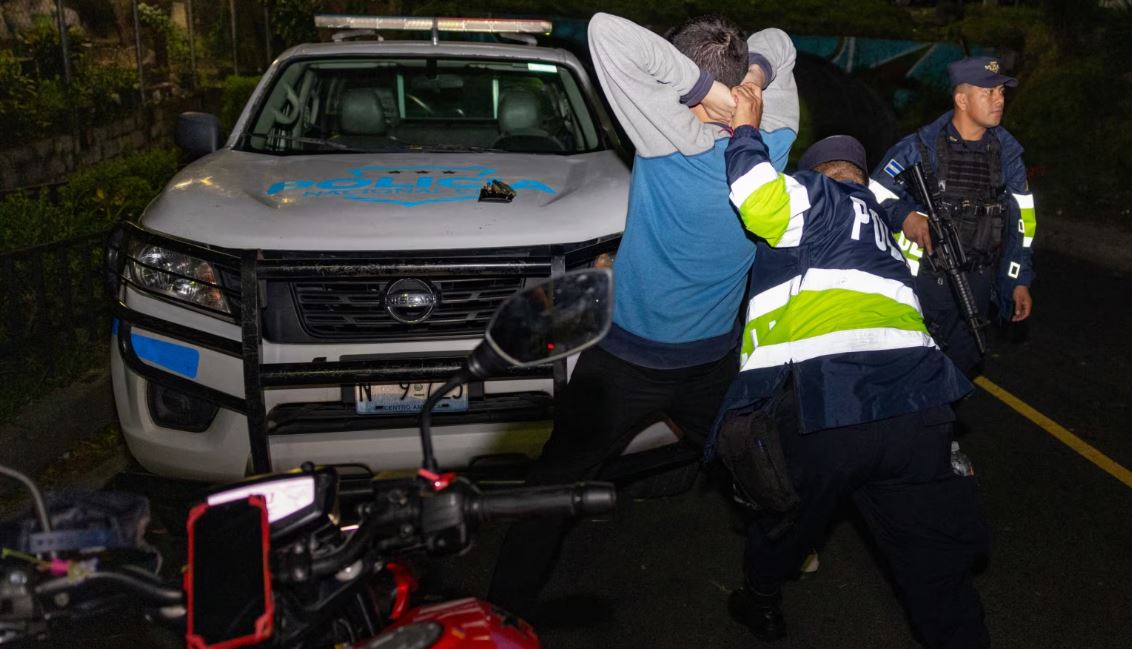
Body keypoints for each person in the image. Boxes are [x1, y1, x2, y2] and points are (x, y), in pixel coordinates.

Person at [486, 12, 799, 619]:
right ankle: (773, 586)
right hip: (711, 362)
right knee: (763, 473)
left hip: (625, 363)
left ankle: (499, 617)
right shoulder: (778, 136)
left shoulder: (664, 132)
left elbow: (607, 31)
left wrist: (706, 95)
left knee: (549, 496)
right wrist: (751, 87)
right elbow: (779, 42)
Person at [714, 83, 989, 648]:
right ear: (862, 176)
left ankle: (761, 601)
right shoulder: (885, 232)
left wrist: (744, 130)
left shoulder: (813, 192)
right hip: (919, 410)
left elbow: (757, 197)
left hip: (830, 405)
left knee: (786, 515)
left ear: (819, 172)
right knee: (936, 573)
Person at [868, 56, 1036, 376]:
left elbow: (1022, 222)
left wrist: (1017, 280)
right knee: (912, 370)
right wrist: (905, 216)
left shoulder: (1008, 153)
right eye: (988, 92)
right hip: (921, 282)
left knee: (962, 370)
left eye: (1001, 92)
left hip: (978, 281)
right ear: (961, 99)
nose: (999, 99)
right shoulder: (919, 148)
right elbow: (872, 194)